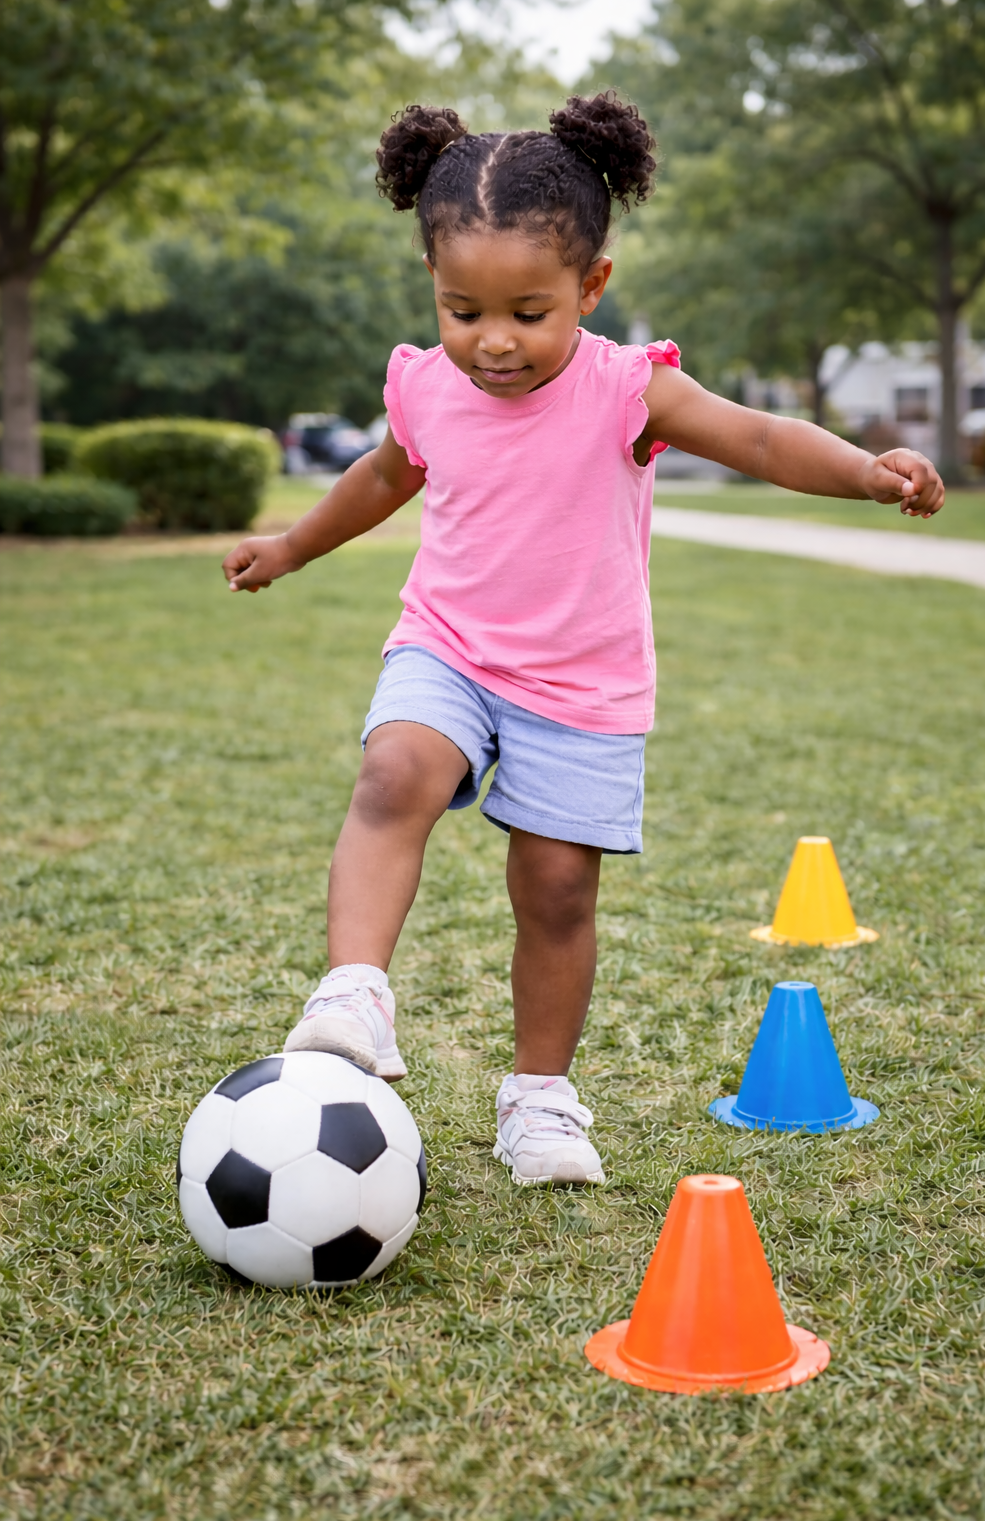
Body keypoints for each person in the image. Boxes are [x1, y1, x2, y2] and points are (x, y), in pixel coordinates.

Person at [222, 93, 944, 1187]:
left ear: (591, 287)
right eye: (462, 310)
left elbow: (754, 435)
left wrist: (863, 469)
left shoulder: (625, 388)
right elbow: (380, 479)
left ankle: (540, 1099)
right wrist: (290, 545)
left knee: (556, 890)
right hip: (449, 645)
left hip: (581, 680)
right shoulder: (425, 383)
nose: (493, 341)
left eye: (527, 310)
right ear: (431, 287)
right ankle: (354, 991)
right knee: (393, 771)